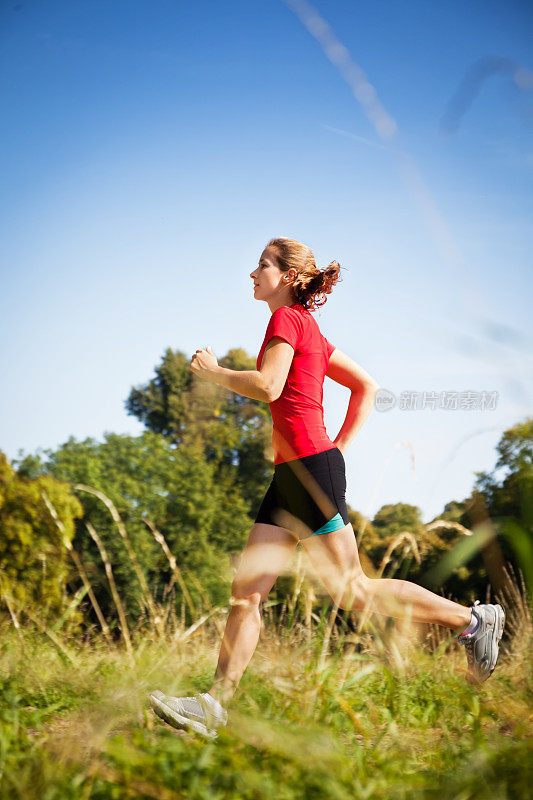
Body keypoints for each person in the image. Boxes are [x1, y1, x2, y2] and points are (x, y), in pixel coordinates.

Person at [150, 237, 505, 738]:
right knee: (247, 594)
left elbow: (269, 387)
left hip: (309, 472)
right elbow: (367, 387)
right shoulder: (308, 329)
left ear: (288, 276)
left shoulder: (285, 321)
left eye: (262, 266)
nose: (252, 274)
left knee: (351, 589)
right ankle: (214, 706)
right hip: (292, 474)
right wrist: (338, 445)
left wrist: (213, 372)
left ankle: (474, 619)